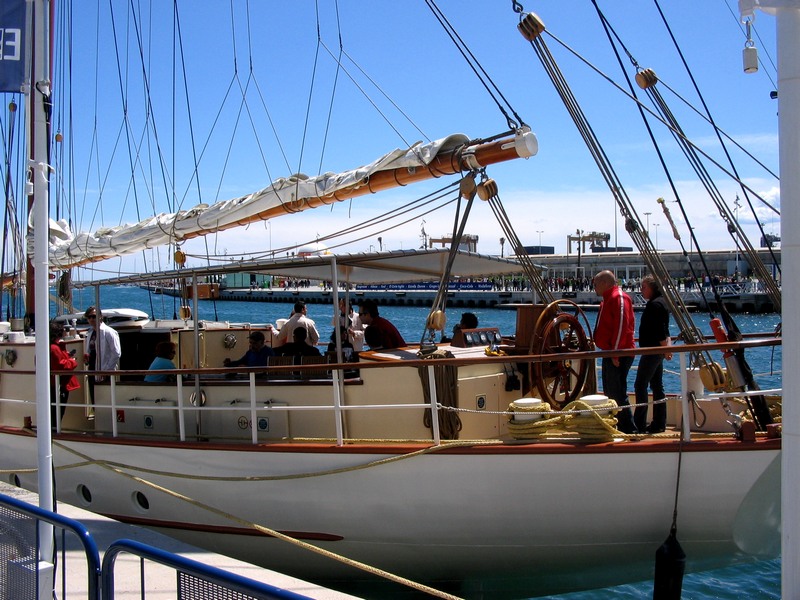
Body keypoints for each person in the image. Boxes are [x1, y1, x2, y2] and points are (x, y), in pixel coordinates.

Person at [592, 270, 637, 433]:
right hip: (610, 352)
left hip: (618, 353)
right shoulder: (608, 299)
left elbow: (621, 327)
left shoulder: (618, 298)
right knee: (611, 391)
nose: (594, 287)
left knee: (617, 392)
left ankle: (629, 430)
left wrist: (615, 353)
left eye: (596, 284)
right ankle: (617, 426)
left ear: (605, 283)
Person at [634, 275, 673, 434]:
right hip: (657, 350)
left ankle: (639, 424)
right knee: (657, 386)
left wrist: (666, 349)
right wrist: (667, 348)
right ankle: (659, 423)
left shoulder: (655, 305)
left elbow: (660, 331)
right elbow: (666, 330)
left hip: (652, 351)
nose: (641, 290)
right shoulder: (661, 302)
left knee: (640, 385)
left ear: (652, 288)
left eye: (644, 287)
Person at [83, 307, 121, 414]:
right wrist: (86, 358)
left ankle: (107, 425)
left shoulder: (109, 332)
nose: (91, 319)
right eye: (89, 317)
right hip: (92, 370)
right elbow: (90, 351)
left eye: (93, 316)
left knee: (105, 400)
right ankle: (99, 423)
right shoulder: (90, 333)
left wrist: (107, 370)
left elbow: (116, 352)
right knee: (94, 399)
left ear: (100, 317)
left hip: (105, 371)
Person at [50, 321, 80, 424]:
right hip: (59, 385)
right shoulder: (54, 348)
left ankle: (54, 430)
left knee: (55, 411)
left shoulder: (51, 347)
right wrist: (73, 362)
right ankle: (54, 432)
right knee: (57, 412)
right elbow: (61, 365)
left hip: (55, 384)